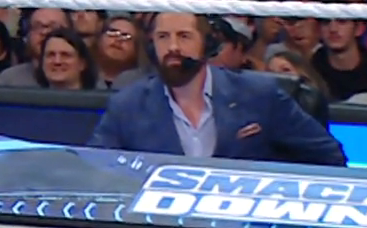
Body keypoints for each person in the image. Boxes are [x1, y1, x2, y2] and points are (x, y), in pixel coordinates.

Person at [88, 11, 345, 166]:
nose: (173, 47)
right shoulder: (127, 106)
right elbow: (94, 172)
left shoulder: (260, 95)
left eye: (184, 36)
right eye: (163, 37)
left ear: (207, 45)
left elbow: (329, 156)